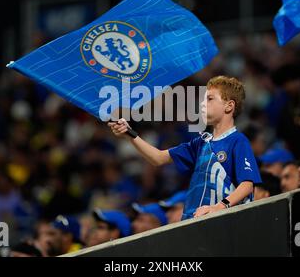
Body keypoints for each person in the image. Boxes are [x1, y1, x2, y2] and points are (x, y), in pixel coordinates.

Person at [108, 76, 262, 219]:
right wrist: (130, 135)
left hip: (224, 221)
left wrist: (219, 207)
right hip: (194, 220)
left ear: (229, 106)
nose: (202, 104)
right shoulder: (200, 143)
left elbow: (247, 185)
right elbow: (158, 158)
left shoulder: (237, 140)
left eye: (209, 99)